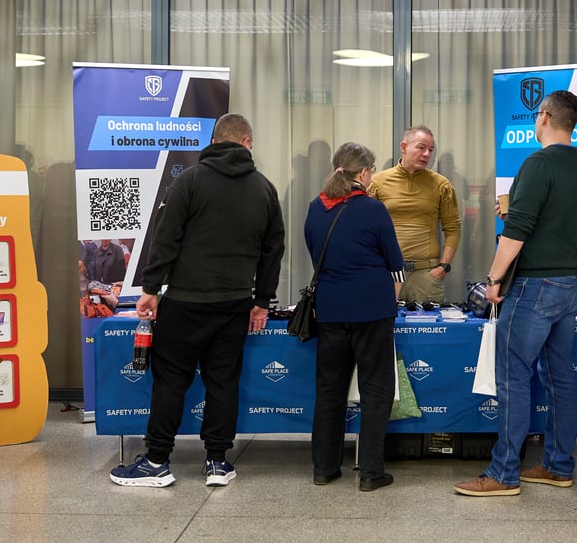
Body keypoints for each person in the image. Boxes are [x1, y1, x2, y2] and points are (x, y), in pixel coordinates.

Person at [110, 113, 285, 488]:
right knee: (223, 381)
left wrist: (151, 288)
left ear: (214, 140)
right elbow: (273, 250)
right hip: (235, 303)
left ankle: (157, 461)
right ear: (247, 143)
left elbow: (166, 238)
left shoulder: (188, 181)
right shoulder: (264, 189)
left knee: (171, 380)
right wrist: (262, 299)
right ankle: (218, 462)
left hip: (185, 302)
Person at [454, 90, 577, 496]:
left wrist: (493, 279)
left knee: (513, 377)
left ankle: (503, 474)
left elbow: (517, 232)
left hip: (536, 285)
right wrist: (514, 211)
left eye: (536, 117)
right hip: (573, 283)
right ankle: (558, 466)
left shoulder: (538, 163)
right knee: (560, 377)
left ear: (545, 116)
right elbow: (576, 227)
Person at [304, 142, 404, 492]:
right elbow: (395, 265)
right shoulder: (373, 209)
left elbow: (315, 254)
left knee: (329, 390)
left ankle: (324, 468)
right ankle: (371, 473)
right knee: (375, 390)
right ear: (363, 173)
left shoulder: (316, 207)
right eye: (371, 170)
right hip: (372, 310)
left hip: (331, 309)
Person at [369, 126, 461, 304]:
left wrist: (444, 267)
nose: (427, 154)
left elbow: (453, 229)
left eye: (431, 150)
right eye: (421, 147)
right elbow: (366, 229)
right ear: (404, 147)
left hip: (425, 275)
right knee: (382, 322)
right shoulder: (377, 183)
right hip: (386, 272)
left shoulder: (442, 185)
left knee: (430, 322)